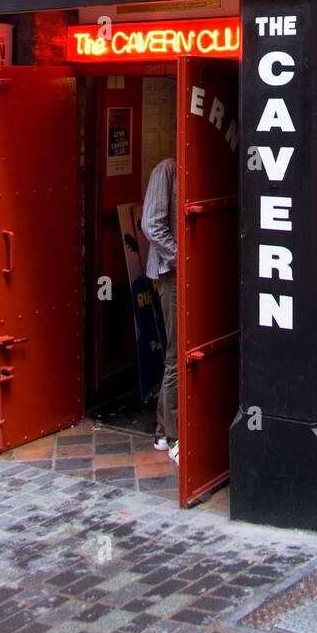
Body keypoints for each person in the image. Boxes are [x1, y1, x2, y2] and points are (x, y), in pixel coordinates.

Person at [140, 157, 179, 463]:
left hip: (179, 272)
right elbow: (151, 225)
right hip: (171, 274)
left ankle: (165, 432)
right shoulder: (166, 170)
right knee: (175, 355)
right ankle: (171, 434)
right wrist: (183, 256)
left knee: (177, 353)